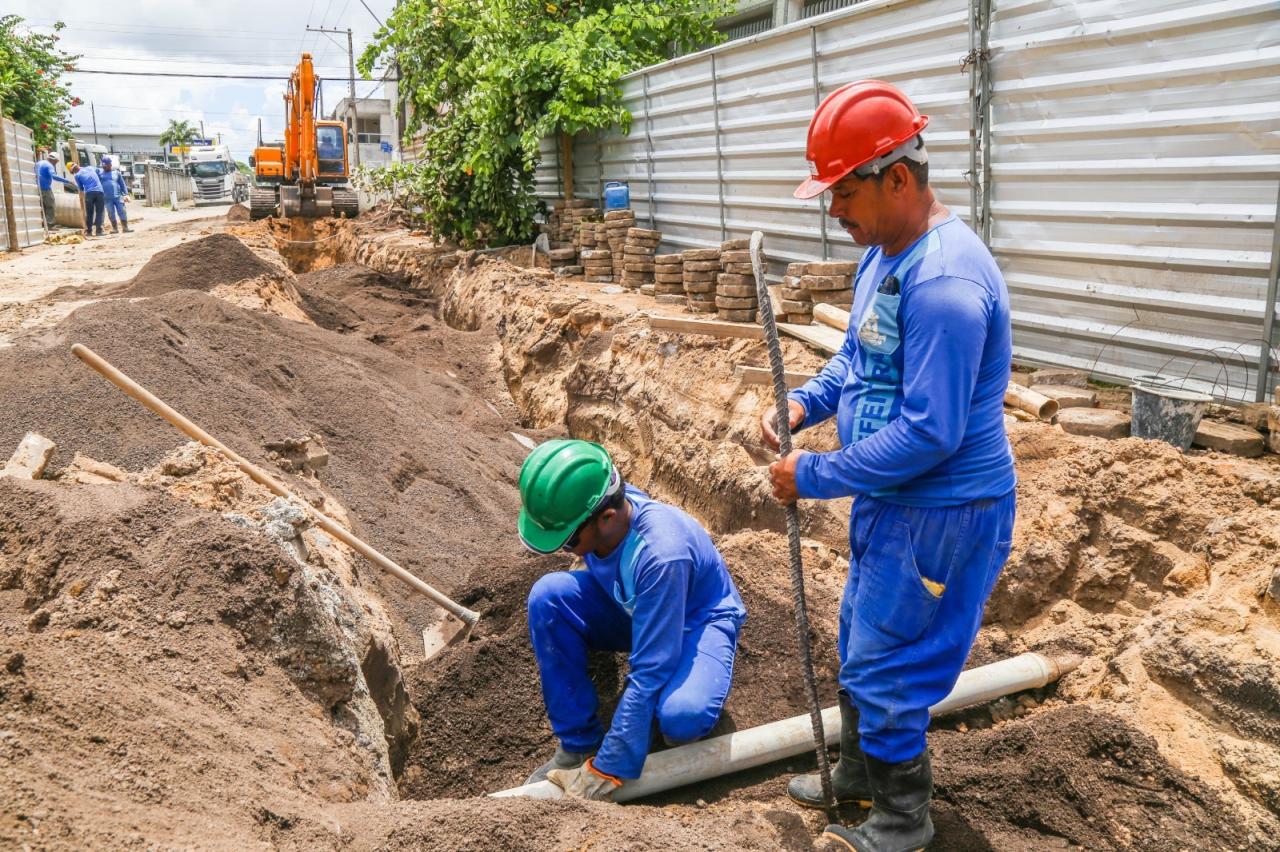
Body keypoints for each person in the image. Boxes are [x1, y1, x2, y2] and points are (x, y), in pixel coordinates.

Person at [761, 80, 1016, 852]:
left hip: (940, 511)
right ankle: (859, 776)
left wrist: (813, 476)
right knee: (861, 636)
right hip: (895, 504)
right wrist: (806, 404)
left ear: (897, 178)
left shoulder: (943, 284)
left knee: (892, 664)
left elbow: (930, 433)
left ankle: (903, 821)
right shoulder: (886, 256)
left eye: (842, 193)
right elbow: (858, 361)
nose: (833, 212)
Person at [518, 439, 747, 800]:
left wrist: (609, 766)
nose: (565, 548)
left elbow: (652, 667)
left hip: (694, 618)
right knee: (549, 597)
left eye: (567, 540)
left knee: (681, 719)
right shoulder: (602, 504)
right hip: (634, 602)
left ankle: (657, 726)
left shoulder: (661, 555)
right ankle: (578, 743)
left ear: (606, 519)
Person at [35, 152, 77, 231]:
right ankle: (50, 225)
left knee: (42, 206)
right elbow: (54, 176)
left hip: (36, 187)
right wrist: (67, 181)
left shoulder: (39, 163)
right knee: (50, 205)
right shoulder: (49, 165)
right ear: (54, 160)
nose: (55, 164)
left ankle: (43, 224)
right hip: (45, 188)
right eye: (56, 162)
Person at [69, 163, 106, 237]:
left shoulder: (77, 175)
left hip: (89, 194)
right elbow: (99, 171)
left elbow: (81, 188)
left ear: (73, 170)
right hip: (99, 192)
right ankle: (99, 231)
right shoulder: (90, 167)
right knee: (99, 212)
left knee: (89, 213)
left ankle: (89, 231)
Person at [99, 156, 132, 234]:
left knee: (122, 211)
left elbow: (122, 184)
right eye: (104, 166)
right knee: (111, 213)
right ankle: (115, 229)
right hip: (107, 198)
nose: (105, 167)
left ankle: (125, 228)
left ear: (110, 165)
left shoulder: (116, 173)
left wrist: (126, 194)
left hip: (118, 196)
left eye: (106, 165)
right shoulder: (100, 174)